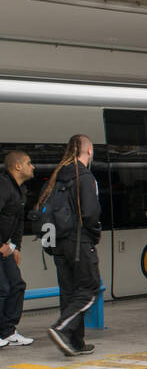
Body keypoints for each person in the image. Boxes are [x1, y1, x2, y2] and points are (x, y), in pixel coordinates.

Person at [36, 135, 102, 356]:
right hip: (79, 242)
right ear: (89, 151)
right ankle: (62, 329)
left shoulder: (55, 178)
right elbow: (91, 213)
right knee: (89, 288)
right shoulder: (84, 177)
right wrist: (94, 235)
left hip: (59, 244)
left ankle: (75, 342)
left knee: (70, 292)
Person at [0, 150, 36, 346]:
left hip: (6, 248)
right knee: (2, 288)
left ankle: (8, 332)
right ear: (18, 166)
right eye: (29, 163)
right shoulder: (3, 186)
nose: (33, 167)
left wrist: (15, 247)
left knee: (17, 285)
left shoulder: (20, 191)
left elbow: (18, 221)